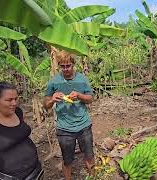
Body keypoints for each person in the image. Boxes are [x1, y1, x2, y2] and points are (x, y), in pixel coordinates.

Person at [43, 50, 94, 180]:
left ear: (73, 64)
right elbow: (46, 104)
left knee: (89, 156)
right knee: (67, 160)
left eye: (68, 66)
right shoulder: (54, 82)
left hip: (83, 125)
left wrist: (79, 95)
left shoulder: (82, 79)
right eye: (62, 66)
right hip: (64, 128)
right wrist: (52, 99)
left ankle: (93, 177)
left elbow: (90, 98)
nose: (66, 69)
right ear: (59, 66)